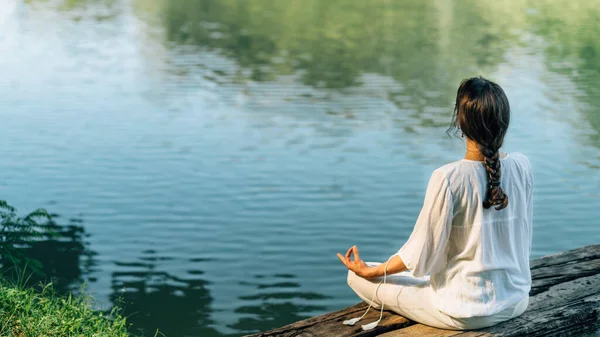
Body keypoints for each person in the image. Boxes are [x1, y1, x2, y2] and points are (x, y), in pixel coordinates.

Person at [337, 76, 533, 331]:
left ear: (460, 123)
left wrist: (371, 272)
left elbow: (419, 255)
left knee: (358, 275)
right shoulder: (522, 166)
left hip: (464, 310)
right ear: (503, 123)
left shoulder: (448, 178)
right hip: (516, 301)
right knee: (413, 274)